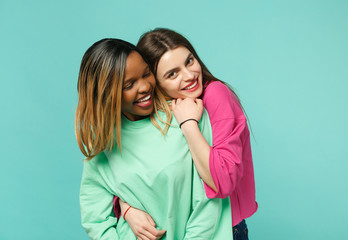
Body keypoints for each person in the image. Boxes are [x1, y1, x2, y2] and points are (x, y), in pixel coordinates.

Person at [76, 38, 232, 239]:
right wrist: (127, 209)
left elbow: (208, 202)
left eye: (146, 73)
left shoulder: (184, 115)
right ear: (107, 94)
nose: (144, 87)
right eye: (129, 84)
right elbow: (95, 219)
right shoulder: (102, 144)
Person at [115, 28, 258, 240]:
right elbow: (130, 175)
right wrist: (127, 209)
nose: (190, 75)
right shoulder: (157, 111)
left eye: (189, 61)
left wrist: (189, 124)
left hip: (223, 230)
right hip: (178, 231)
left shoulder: (216, 95)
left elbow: (223, 182)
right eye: (172, 74)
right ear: (156, 83)